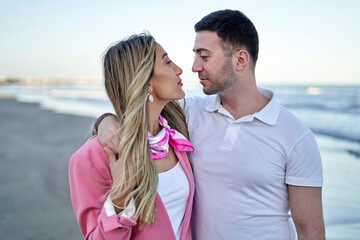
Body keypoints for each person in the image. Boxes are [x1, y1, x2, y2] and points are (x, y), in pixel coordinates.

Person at [95, 10, 325, 240]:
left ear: (240, 60)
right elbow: (139, 108)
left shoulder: (295, 136)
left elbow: (309, 231)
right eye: (195, 56)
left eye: (204, 57)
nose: (194, 67)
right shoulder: (188, 114)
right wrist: (106, 122)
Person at [69, 33, 195, 240]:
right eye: (168, 62)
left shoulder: (177, 133)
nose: (179, 69)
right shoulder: (91, 157)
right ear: (146, 82)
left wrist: (103, 119)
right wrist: (119, 198)